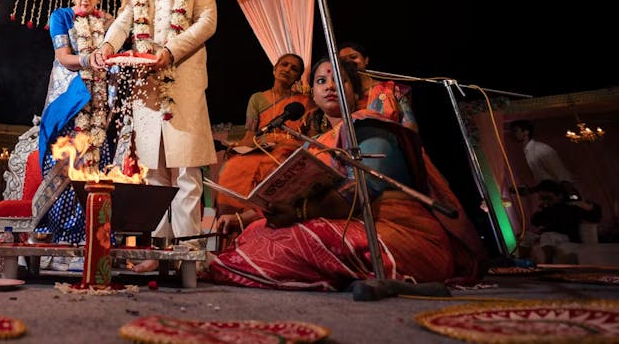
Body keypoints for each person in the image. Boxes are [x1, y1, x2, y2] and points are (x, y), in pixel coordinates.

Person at [207, 56, 486, 291]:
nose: (330, 86)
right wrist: (241, 218)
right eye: (321, 81)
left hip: (397, 232)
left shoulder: (367, 125)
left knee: (293, 238)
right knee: (257, 232)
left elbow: (367, 189)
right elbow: (291, 199)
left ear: (353, 91)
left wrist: (302, 211)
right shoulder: (314, 144)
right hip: (347, 226)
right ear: (312, 95)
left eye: (340, 80)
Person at [92, 0, 217, 272]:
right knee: (154, 173)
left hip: (184, 85)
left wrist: (172, 50)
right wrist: (106, 45)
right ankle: (158, 254)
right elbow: (122, 22)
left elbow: (208, 22)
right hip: (146, 86)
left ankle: (188, 255)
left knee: (187, 171)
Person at [35, 0, 115, 251]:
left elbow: (112, 58)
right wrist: (89, 59)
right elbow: (63, 57)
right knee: (64, 164)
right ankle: (59, 239)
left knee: (94, 165)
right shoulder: (61, 17)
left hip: (97, 103)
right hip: (68, 100)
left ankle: (91, 240)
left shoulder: (108, 22)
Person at [213, 53, 314, 215]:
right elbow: (250, 134)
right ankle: (233, 221)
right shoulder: (257, 99)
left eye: (294, 69)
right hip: (263, 148)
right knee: (232, 167)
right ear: (275, 69)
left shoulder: (305, 102)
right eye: (284, 64)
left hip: (291, 152)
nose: (287, 69)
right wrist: (237, 148)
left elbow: (311, 136)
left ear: (298, 77)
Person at [337, 40, 417, 131]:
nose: (349, 62)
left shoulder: (391, 89)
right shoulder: (339, 96)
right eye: (343, 60)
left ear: (366, 60)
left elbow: (410, 127)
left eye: (353, 57)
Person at [525, 179, 602, 263]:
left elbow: (594, 217)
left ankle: (548, 264)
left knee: (547, 236)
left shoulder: (570, 208)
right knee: (525, 237)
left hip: (567, 237)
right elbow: (535, 221)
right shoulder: (546, 209)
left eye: (549, 198)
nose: (546, 202)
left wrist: (593, 207)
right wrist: (541, 209)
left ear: (559, 196)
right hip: (553, 236)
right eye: (543, 199)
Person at [508, 119, 579, 199]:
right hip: (550, 196)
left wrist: (570, 197)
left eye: (515, 131)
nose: (512, 134)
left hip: (559, 196)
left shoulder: (540, 148)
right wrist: (530, 190)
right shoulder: (527, 152)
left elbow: (560, 173)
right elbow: (544, 180)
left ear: (526, 132)